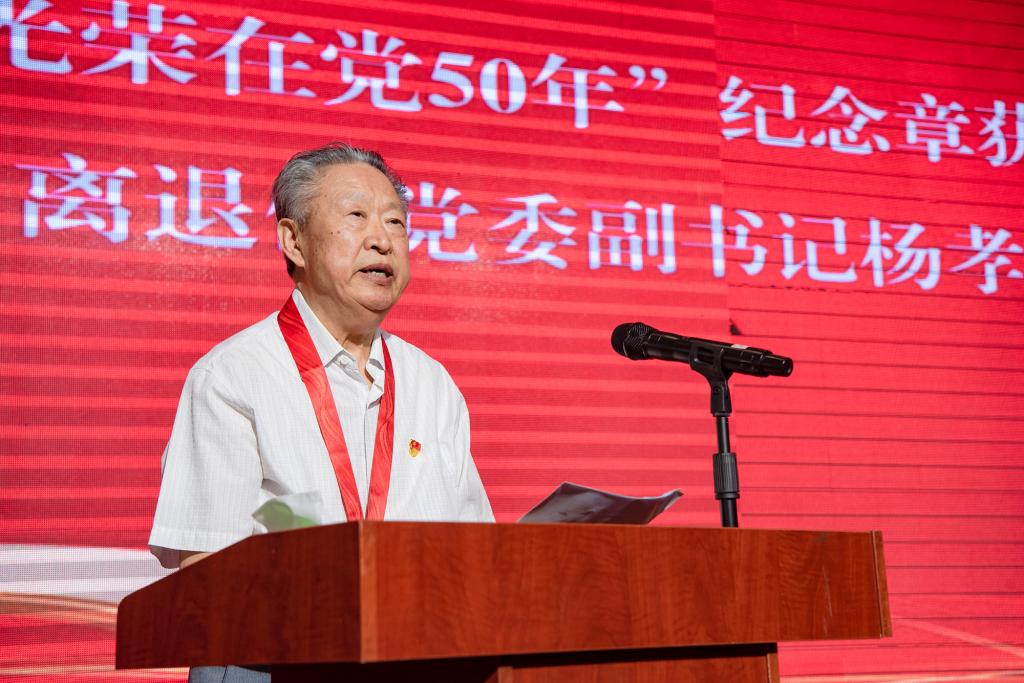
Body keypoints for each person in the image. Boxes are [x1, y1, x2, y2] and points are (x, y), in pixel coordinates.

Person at [148, 143, 493, 683]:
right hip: (273, 663)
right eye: (356, 215)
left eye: (395, 221)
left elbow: (478, 552)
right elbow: (205, 572)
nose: (382, 239)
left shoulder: (433, 384)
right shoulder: (232, 376)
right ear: (294, 241)